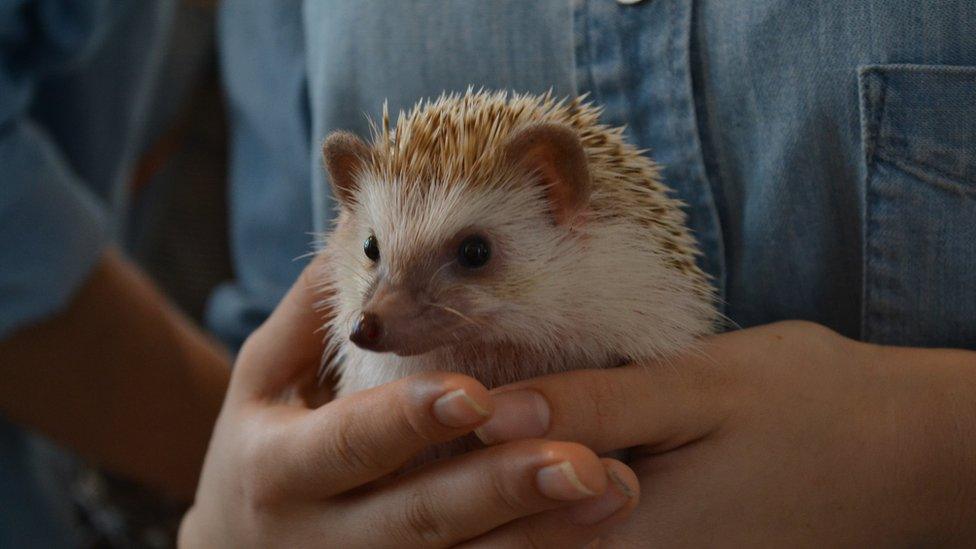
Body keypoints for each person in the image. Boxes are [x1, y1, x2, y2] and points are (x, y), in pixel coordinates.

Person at [3, 0, 975, 547]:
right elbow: (281, 355)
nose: (382, 314)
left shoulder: (617, 279)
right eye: (376, 259)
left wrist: (936, 450)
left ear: (561, 202)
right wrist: (227, 523)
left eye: (473, 256)